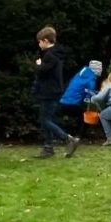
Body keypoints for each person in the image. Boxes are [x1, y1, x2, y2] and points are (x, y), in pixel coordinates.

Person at [33, 26, 78, 158]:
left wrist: (38, 64)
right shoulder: (56, 54)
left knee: (44, 120)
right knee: (46, 119)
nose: (39, 44)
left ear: (46, 41)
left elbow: (43, 72)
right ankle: (48, 147)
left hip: (48, 91)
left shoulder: (49, 55)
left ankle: (67, 139)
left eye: (40, 41)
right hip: (54, 90)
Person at [59, 60, 103, 148]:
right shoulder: (91, 79)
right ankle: (79, 137)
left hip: (63, 102)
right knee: (85, 117)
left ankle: (69, 135)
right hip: (72, 104)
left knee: (78, 116)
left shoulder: (79, 75)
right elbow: (90, 97)